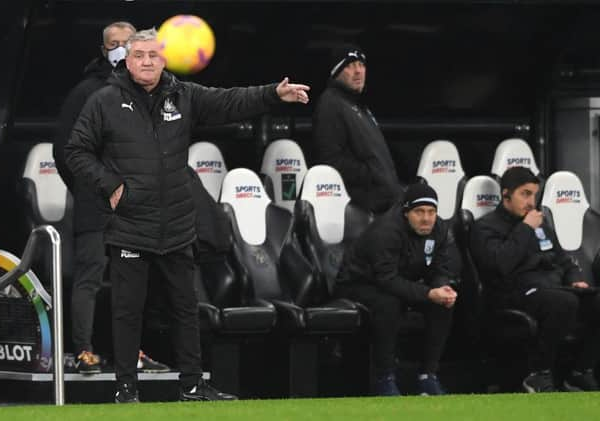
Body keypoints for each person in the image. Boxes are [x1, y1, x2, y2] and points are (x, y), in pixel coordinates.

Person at [64, 28, 310, 403]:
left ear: (164, 59)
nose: (147, 61)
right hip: (129, 226)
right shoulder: (104, 101)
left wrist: (272, 93)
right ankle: (126, 389)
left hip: (177, 224)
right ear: (127, 62)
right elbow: (76, 150)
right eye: (139, 55)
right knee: (127, 313)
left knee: (185, 309)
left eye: (153, 55)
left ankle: (192, 386)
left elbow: (230, 101)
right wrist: (111, 185)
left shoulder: (183, 95)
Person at [53, 21, 168, 375]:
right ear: (104, 50)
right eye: (114, 44)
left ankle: (131, 354)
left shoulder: (148, 91)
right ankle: (84, 351)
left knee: (131, 283)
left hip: (134, 207)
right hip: (94, 203)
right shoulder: (86, 92)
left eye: (127, 42)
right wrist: (91, 188)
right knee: (88, 278)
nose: (120, 49)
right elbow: (64, 152)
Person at [470, 166, 600, 393]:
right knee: (563, 302)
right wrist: (526, 228)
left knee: (595, 299)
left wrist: (575, 279)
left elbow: (563, 259)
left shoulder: (541, 224)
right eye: (525, 194)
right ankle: (538, 374)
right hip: (513, 292)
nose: (531, 201)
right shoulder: (485, 227)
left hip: (552, 287)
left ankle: (581, 371)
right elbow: (500, 265)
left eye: (534, 195)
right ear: (506, 194)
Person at [336, 183, 457, 396]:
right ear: (406, 212)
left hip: (400, 281)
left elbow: (441, 267)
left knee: (443, 304)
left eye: (431, 212)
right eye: (419, 212)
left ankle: (428, 376)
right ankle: (385, 378)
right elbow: (386, 279)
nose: (426, 218)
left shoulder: (439, 229)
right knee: (389, 303)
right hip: (358, 284)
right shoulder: (385, 232)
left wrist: (441, 288)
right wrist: (427, 293)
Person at [312, 45, 402, 213]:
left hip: (385, 203)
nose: (358, 71)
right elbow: (330, 160)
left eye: (361, 65)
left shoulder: (358, 105)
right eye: (350, 66)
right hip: (363, 209)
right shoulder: (330, 104)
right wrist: (372, 173)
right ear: (336, 71)